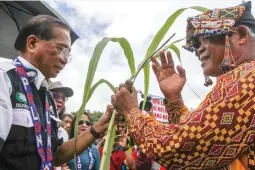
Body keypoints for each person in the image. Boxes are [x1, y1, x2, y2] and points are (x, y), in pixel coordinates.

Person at [111, 1, 255, 169]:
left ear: (242, 35)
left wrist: (131, 112)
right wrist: (174, 100)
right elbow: (204, 136)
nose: (198, 50)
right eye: (195, 46)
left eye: (205, 40)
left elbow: (182, 147)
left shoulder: (248, 77)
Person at [0, 15, 117, 170]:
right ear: (32, 43)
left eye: (68, 54)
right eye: (61, 49)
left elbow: (57, 155)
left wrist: (98, 128)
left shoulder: (48, 98)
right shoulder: (5, 78)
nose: (64, 59)